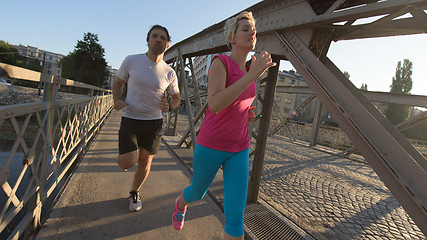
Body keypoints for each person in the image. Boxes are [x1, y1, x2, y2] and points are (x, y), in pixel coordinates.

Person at [172, 12, 276, 239]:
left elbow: (239, 101)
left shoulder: (250, 70)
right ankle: (181, 203)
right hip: (212, 144)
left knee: (236, 215)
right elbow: (215, 104)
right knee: (197, 193)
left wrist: (246, 112)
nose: (252, 33)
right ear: (231, 37)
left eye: (254, 30)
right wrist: (253, 76)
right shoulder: (221, 62)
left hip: (239, 148)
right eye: (245, 29)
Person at [113, 24, 180, 212]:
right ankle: (122, 158)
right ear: (148, 40)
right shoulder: (131, 61)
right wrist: (117, 100)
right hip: (131, 118)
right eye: (154, 36)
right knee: (127, 162)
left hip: (154, 123)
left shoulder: (169, 72)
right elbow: (118, 83)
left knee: (145, 160)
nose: (158, 39)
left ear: (167, 44)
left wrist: (170, 106)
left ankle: (134, 192)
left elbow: (176, 99)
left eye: (162, 38)